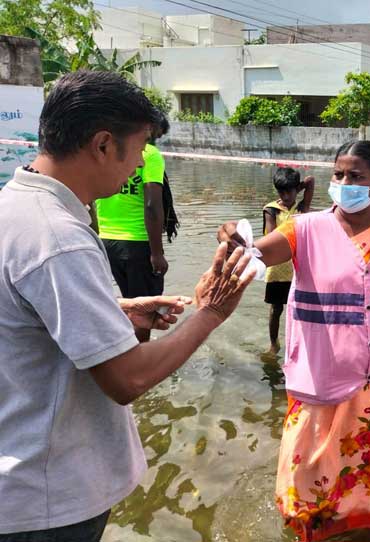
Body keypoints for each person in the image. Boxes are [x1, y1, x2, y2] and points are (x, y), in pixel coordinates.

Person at [0, 70, 253, 541]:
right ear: (102, 145)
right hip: (47, 499)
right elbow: (127, 378)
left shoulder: (15, 208)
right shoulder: (59, 239)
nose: (139, 164)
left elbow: (24, 320)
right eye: (137, 148)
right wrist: (209, 313)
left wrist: (117, 310)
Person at [217, 140, 370, 542]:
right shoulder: (304, 229)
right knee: (314, 470)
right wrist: (233, 238)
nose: (344, 183)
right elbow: (255, 255)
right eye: (339, 174)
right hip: (323, 381)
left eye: (356, 177)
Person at [96, 109, 170, 342]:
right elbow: (151, 204)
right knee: (145, 310)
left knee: (127, 303)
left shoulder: (109, 152)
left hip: (106, 241)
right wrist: (157, 254)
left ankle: (124, 352)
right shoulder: (150, 155)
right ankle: (139, 363)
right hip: (137, 243)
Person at [262, 167, 314, 355]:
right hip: (277, 269)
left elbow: (311, 180)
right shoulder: (271, 209)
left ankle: (299, 345)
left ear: (296, 189)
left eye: (289, 191)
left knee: (299, 308)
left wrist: (298, 188)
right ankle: (274, 343)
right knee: (276, 309)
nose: (285, 196)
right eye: (281, 191)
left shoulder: (301, 208)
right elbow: (271, 235)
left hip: (297, 269)